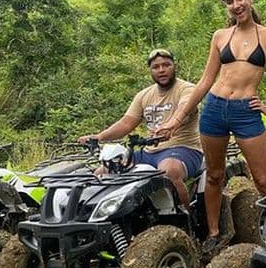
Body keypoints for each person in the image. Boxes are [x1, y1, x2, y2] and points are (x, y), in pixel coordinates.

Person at [157, 0, 266, 255]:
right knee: (214, 176)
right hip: (214, 109)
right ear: (227, 7)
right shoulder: (220, 36)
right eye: (230, 2)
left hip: (246, 112)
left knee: (264, 180)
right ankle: (213, 233)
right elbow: (206, 80)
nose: (236, 5)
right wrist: (177, 119)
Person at [79, 48, 203, 208]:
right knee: (102, 172)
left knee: (168, 171)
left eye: (166, 65)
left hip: (183, 148)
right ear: (150, 71)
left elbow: (185, 109)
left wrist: (171, 125)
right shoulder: (144, 95)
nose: (162, 70)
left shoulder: (186, 89)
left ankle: (185, 219)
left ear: (174, 66)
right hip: (148, 152)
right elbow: (126, 123)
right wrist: (99, 137)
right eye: (156, 67)